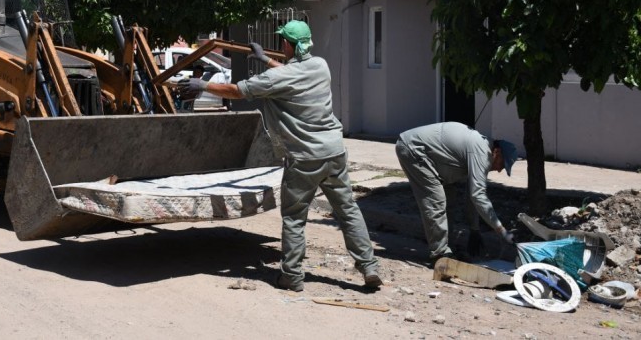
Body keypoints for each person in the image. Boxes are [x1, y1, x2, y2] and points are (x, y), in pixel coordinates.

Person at [182, 20, 383, 292]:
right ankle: (369, 267)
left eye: (282, 42)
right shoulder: (320, 66)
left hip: (305, 157)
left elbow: (238, 90)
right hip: (334, 151)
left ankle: (292, 276)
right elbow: (291, 74)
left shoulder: (279, 77)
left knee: (294, 218)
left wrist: (202, 85)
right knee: (348, 210)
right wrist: (265, 59)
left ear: (287, 44)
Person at [394, 122, 518, 266]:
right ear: (497, 152)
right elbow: (478, 195)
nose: (499, 170)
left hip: (426, 154)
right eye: (502, 164)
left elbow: (472, 195)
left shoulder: (481, 150)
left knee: (450, 198)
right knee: (436, 200)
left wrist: (474, 229)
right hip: (413, 149)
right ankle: (440, 254)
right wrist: (501, 230)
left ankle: (447, 247)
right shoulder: (482, 153)